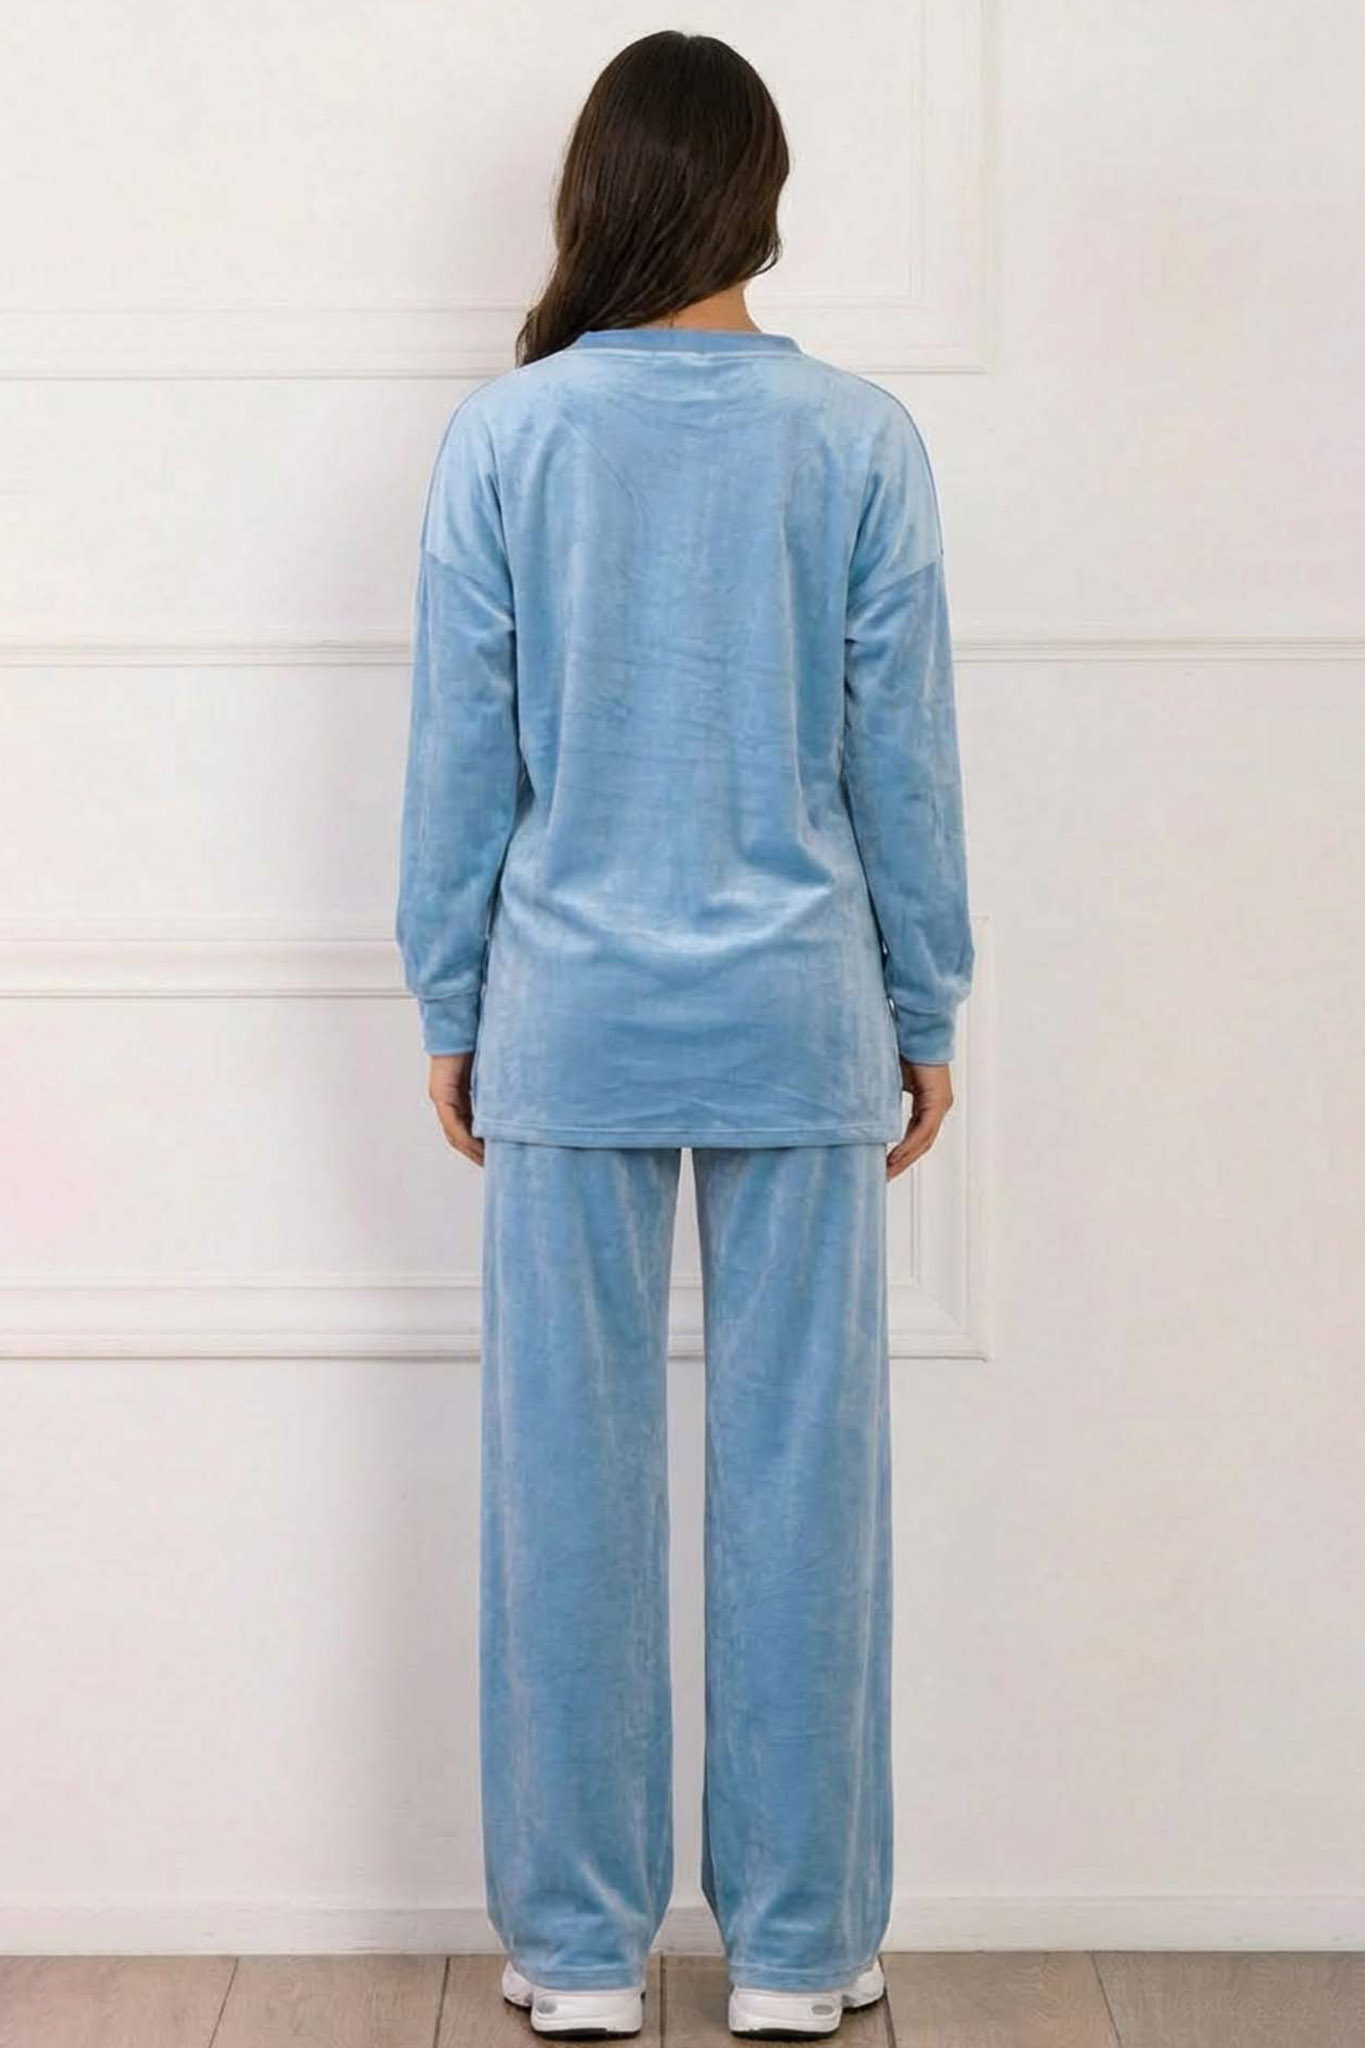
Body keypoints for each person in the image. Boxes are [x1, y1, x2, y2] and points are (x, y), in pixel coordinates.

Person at [395, 29, 974, 2041]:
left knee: (562, 1487)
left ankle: (575, 1955)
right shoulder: (857, 441)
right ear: (761, 198)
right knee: (807, 1486)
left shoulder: (507, 439)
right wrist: (926, 1000)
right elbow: (901, 760)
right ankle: (798, 1953)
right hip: (801, 1014)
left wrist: (450, 997)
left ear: (597, 194)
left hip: (564, 1015)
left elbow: (460, 760)